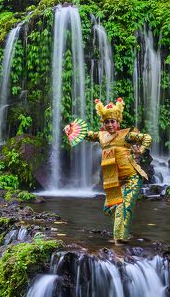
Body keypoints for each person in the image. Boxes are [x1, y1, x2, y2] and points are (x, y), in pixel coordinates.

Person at [63, 98, 152, 243]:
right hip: (114, 181)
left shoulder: (127, 135)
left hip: (132, 178)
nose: (110, 124)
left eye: (112, 121)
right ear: (103, 124)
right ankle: (121, 232)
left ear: (118, 122)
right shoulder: (101, 136)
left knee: (123, 207)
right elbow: (86, 134)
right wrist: (69, 128)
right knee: (109, 209)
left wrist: (140, 151)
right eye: (107, 122)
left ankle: (120, 241)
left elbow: (147, 138)